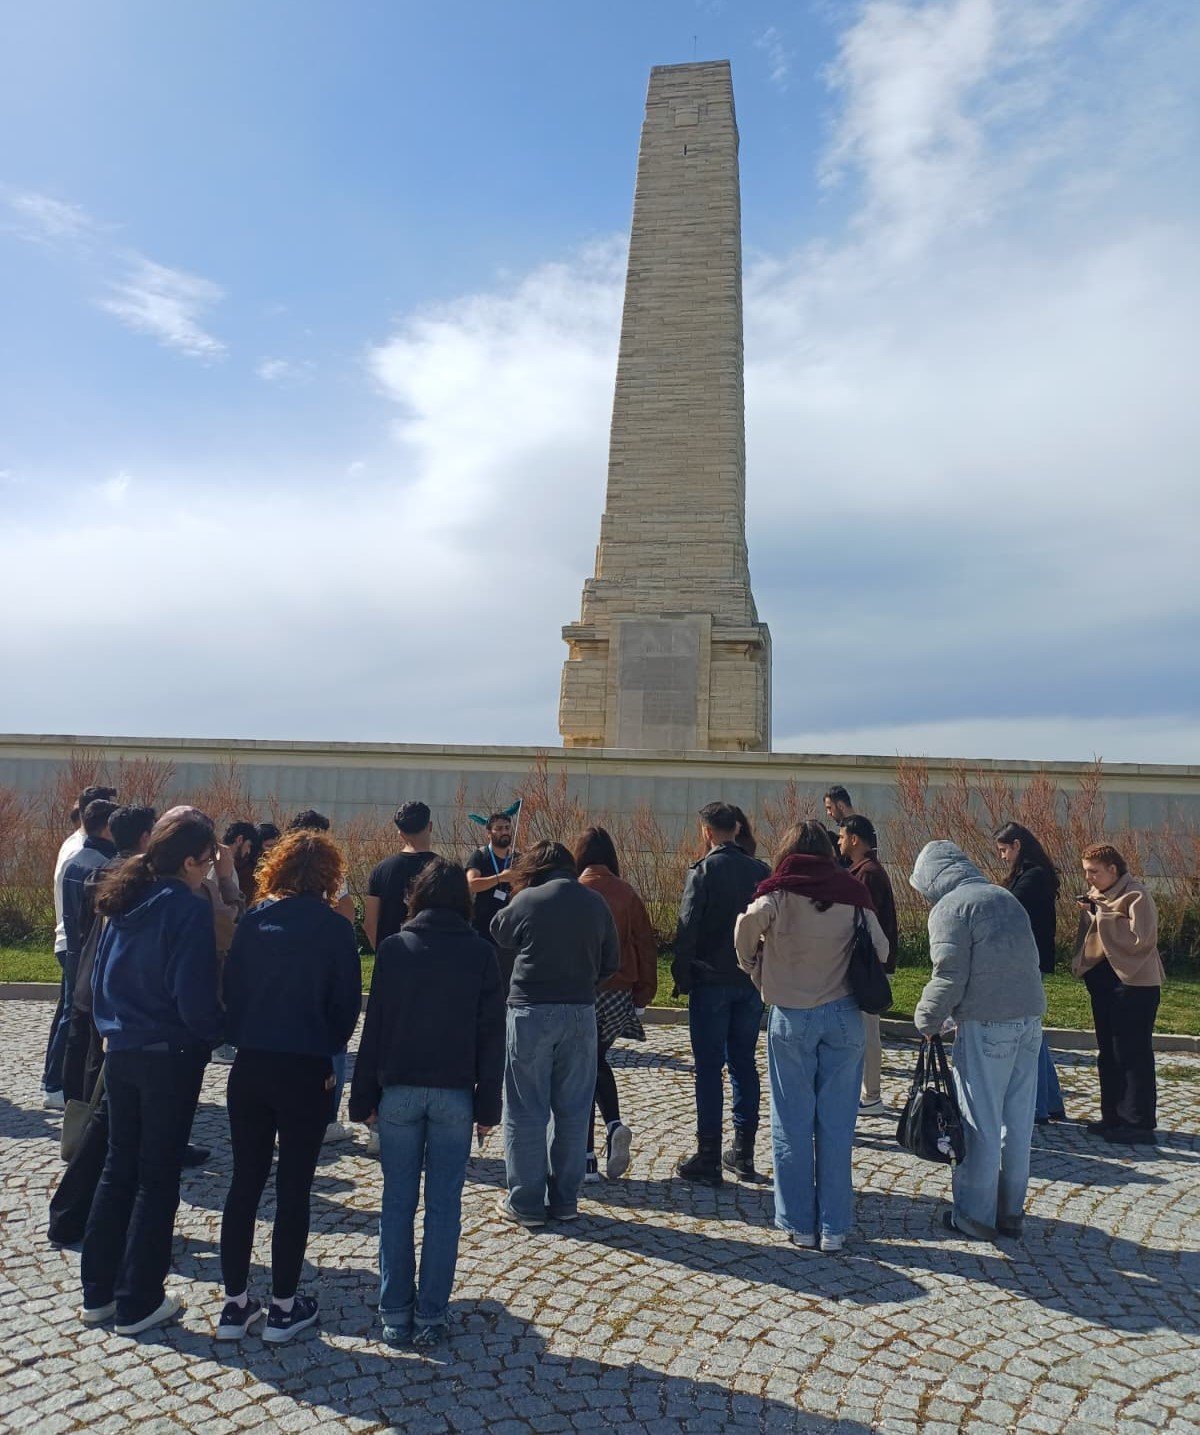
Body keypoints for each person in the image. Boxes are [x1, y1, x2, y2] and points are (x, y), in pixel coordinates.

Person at [80, 811, 225, 1335]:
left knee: (119, 1168)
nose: (209, 870)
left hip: (121, 1047)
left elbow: (98, 978)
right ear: (188, 862)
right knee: (157, 1175)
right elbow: (192, 994)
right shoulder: (185, 907)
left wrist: (110, 1029)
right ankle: (138, 1300)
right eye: (207, 861)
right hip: (169, 1054)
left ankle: (97, 1291)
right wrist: (217, 1032)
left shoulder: (125, 898)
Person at [350, 859, 504, 1347]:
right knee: (444, 1207)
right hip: (455, 1093)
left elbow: (374, 1027)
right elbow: (491, 1037)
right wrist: (488, 1108)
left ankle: (395, 1311)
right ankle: (433, 1313)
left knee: (396, 1203)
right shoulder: (481, 954)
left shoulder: (394, 949)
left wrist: (362, 1098)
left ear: (415, 897)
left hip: (398, 1090)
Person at [217, 829, 361, 1343]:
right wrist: (329, 1047)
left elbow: (231, 988)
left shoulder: (255, 919)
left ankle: (234, 1302)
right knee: (294, 1187)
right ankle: (282, 1305)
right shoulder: (334, 927)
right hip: (304, 1065)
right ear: (329, 876)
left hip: (251, 1063)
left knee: (244, 1182)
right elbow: (346, 1005)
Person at [734, 821, 889, 1251]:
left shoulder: (778, 893)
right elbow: (881, 949)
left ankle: (800, 1223)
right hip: (843, 1013)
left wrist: (753, 966)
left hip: (791, 1014)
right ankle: (834, 1227)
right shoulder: (852, 893)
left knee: (792, 1122)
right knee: (837, 1126)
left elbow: (745, 929)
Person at [910, 840, 1045, 1240]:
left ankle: (974, 1216)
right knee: (1017, 1123)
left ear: (932, 879)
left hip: (987, 1024)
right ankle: (1011, 1212)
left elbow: (949, 975)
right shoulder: (1005, 898)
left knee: (979, 1123)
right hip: (1029, 1019)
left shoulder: (950, 909)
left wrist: (927, 1019)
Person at [491, 841, 619, 1228]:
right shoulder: (595, 902)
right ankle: (565, 1199)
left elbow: (499, 931)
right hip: (580, 1011)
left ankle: (526, 1201)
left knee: (526, 1107)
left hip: (530, 1009)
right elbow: (611, 962)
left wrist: (512, 891)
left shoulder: (529, 899)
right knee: (573, 1109)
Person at [671, 802, 770, 1185]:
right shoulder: (759, 870)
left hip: (711, 981)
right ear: (737, 829)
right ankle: (744, 1152)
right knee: (744, 1064)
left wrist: (682, 976)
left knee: (709, 1069)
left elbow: (688, 926)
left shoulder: (704, 871)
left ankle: (709, 1155)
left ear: (707, 832)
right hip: (749, 980)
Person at [574, 827, 658, 1183]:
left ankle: (587, 1157)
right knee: (594, 1060)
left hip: (582, 990)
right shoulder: (627, 893)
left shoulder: (575, 891)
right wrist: (644, 994)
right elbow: (644, 945)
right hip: (619, 991)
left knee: (582, 1070)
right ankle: (612, 1126)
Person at [1072, 843, 1163, 1144]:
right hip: (1104, 983)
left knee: (1132, 1052)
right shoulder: (1099, 895)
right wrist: (1092, 911)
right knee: (1108, 1052)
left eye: (1094, 872)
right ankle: (1112, 1115)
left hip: (1135, 984)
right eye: (1086, 872)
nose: (1089, 878)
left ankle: (1138, 1123)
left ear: (1113, 869)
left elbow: (1142, 939)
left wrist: (1101, 914)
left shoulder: (1137, 894)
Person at [285, 808, 357, 1142]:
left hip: (282, 963)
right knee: (332, 1041)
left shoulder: (276, 868)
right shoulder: (331, 870)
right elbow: (346, 912)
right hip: (320, 961)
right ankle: (326, 1117)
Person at [44, 784, 117, 1108]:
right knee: (73, 1015)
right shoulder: (84, 853)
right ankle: (57, 1084)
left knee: (70, 1011)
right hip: (75, 940)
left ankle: (56, 1083)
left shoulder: (78, 846)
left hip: (72, 939)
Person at [994, 822, 1066, 1124]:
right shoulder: (1031, 873)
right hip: (1028, 958)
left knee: (1028, 1033)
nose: (1002, 856)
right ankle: (1049, 1101)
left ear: (1017, 845)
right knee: (1033, 1031)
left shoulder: (1034, 876)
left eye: (1004, 850)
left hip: (1027, 960)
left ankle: (1039, 1104)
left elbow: (1009, 905)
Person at [837, 815, 899, 1116]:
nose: (839, 842)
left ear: (854, 839)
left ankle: (871, 1095)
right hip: (867, 964)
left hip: (867, 966)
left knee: (867, 1031)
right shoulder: (863, 870)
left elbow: (864, 924)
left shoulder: (868, 874)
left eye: (842, 836)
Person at [364, 802, 438, 951]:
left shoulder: (381, 870)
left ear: (400, 833)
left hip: (393, 953)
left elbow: (370, 923)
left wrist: (382, 952)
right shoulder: (447, 870)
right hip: (435, 955)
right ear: (430, 826)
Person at [466, 812, 520, 969]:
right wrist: (500, 878)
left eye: (507, 828)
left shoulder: (518, 858)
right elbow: (471, 884)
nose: (504, 832)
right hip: (482, 929)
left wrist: (517, 885)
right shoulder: (480, 856)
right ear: (489, 833)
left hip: (509, 931)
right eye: (499, 828)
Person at [223, 821, 260, 904]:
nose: (248, 851)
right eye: (248, 845)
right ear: (239, 839)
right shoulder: (222, 868)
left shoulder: (228, 866)